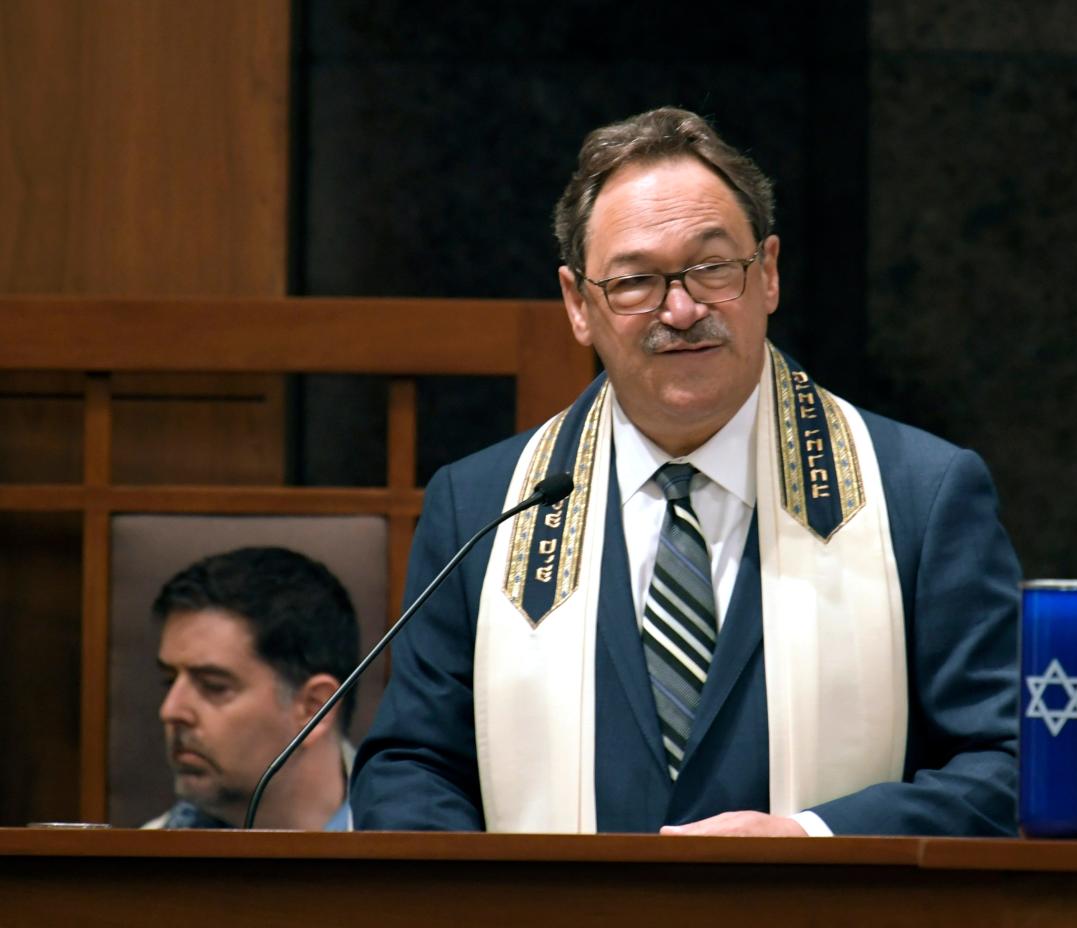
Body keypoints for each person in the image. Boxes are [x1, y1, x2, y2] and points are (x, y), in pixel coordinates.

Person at [351, 107, 1021, 836]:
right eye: (635, 280)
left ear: (766, 273)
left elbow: (1005, 766)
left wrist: (811, 839)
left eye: (710, 268)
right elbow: (411, 765)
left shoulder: (917, 494)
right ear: (578, 304)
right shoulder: (483, 506)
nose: (679, 309)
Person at [144, 546, 359, 830]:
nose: (170, 711)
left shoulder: (411, 854)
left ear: (314, 708)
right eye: (169, 681)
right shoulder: (139, 866)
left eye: (214, 686)